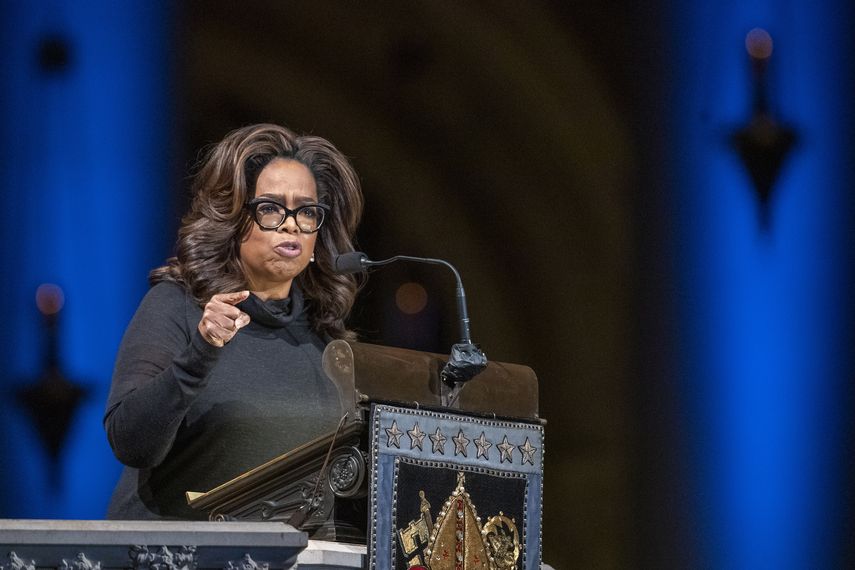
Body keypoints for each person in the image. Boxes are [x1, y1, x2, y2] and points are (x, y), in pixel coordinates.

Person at [103, 123, 364, 520]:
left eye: (307, 211)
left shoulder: (324, 336)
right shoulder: (178, 307)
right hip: (168, 556)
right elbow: (132, 441)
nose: (291, 223)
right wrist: (201, 352)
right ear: (233, 220)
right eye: (271, 208)